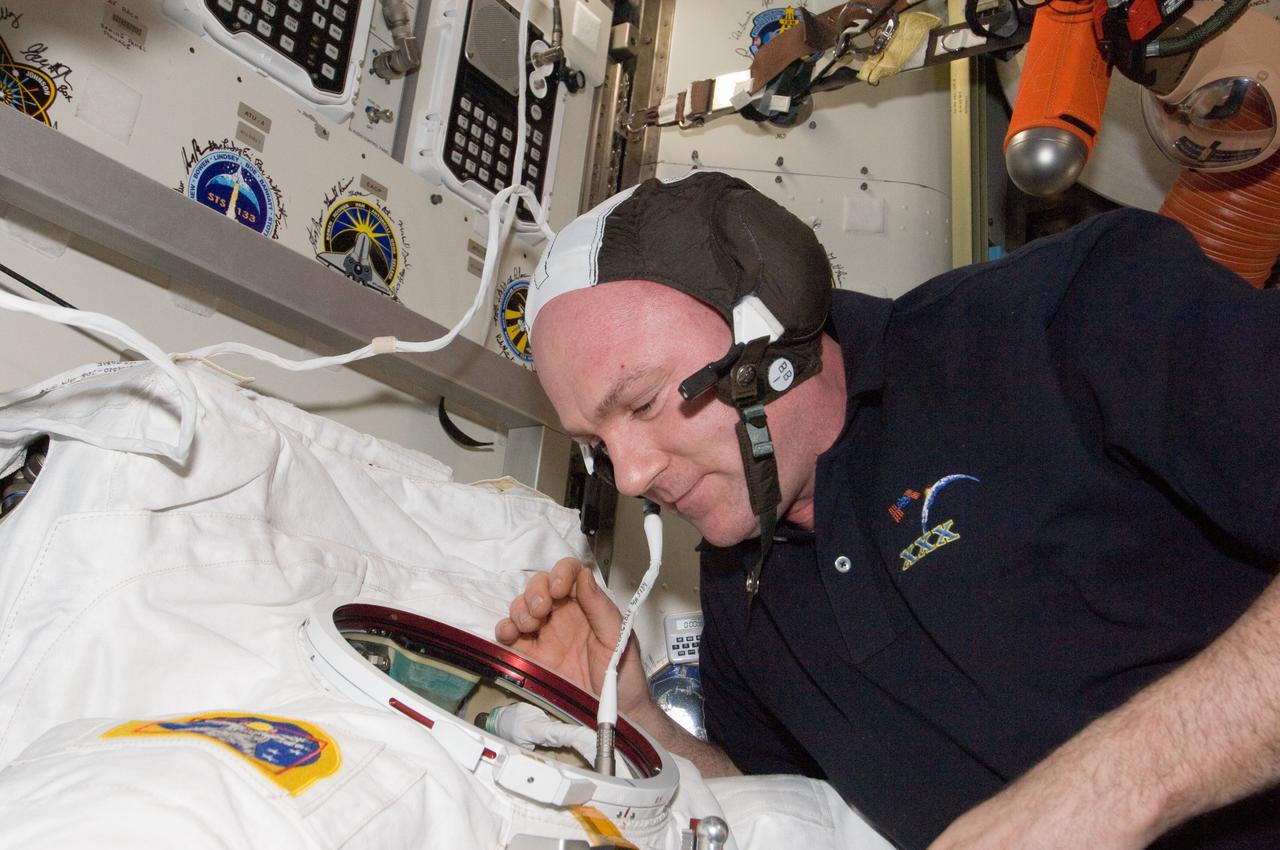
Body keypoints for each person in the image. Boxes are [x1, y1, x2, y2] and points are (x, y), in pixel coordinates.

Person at [494, 170, 1280, 849]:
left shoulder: (1067, 317)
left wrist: (1111, 788)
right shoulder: (737, 589)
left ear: (770, 311)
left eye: (643, 401)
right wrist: (641, 717)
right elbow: (785, 807)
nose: (630, 477)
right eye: (597, 444)